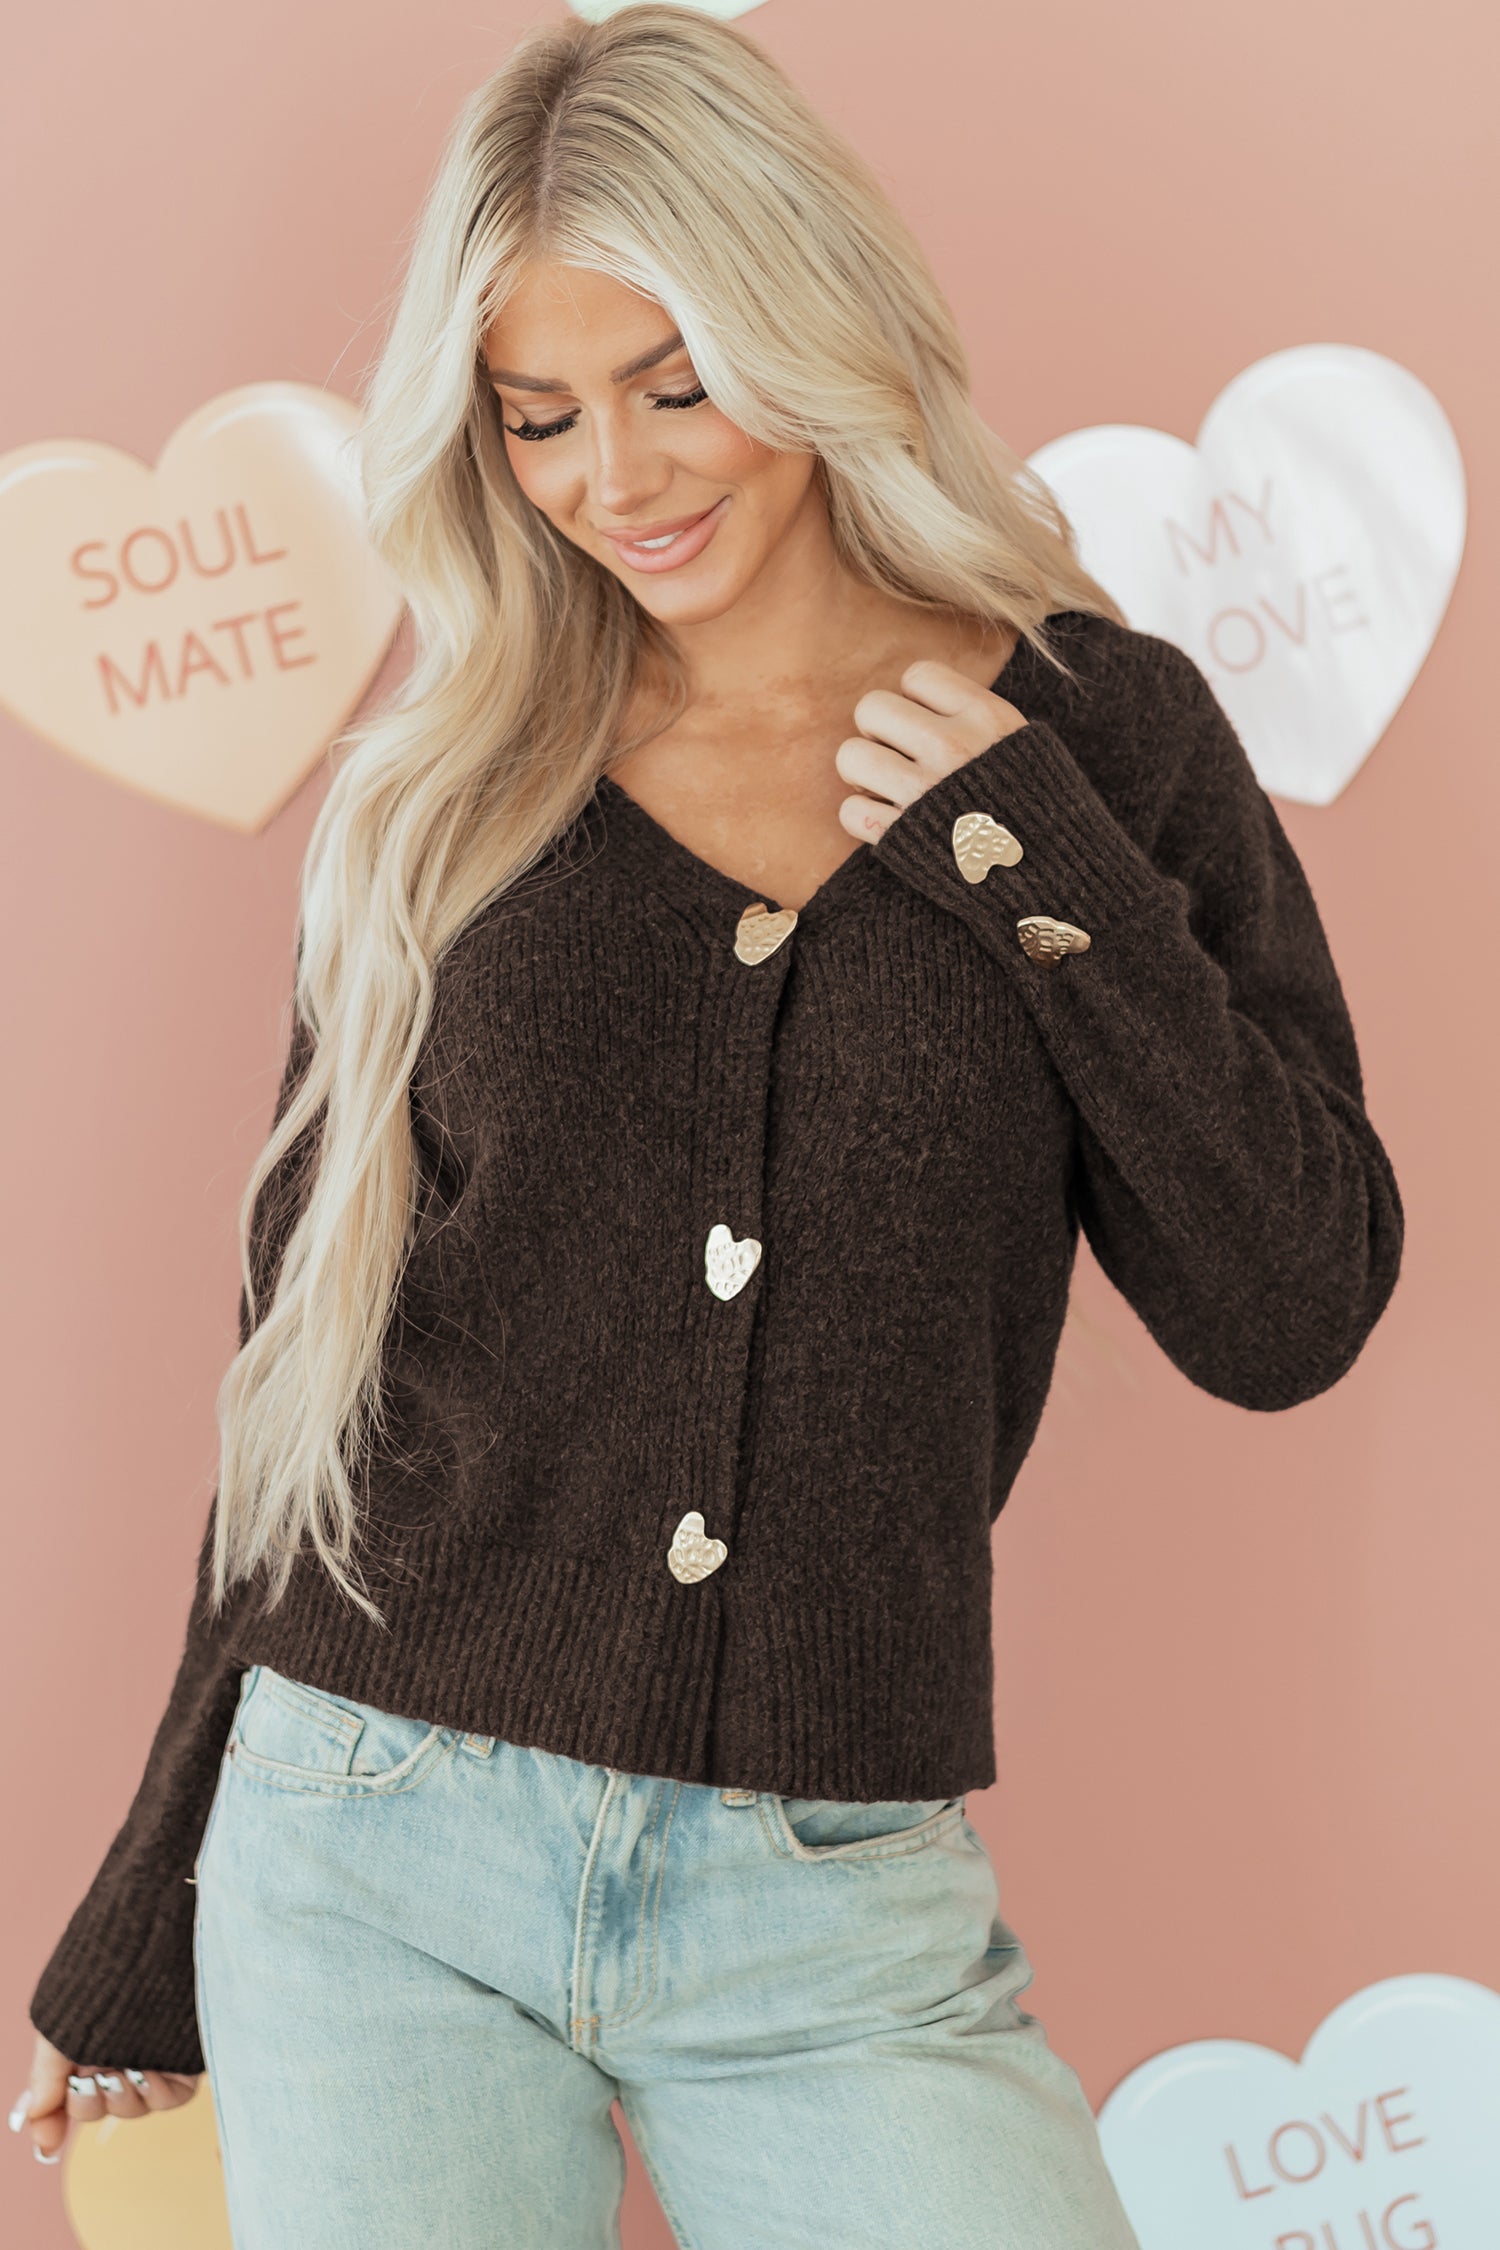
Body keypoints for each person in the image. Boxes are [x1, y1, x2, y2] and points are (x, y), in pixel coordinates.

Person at [12, 8, 1404, 2245]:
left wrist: (1031, 855)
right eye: (539, 415)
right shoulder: (453, 793)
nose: (616, 478)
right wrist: (140, 1915)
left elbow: (1289, 1305)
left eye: (677, 386)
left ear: (813, 326)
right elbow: (308, 1378)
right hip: (372, 1847)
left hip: (828, 1896)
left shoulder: (1098, 742)